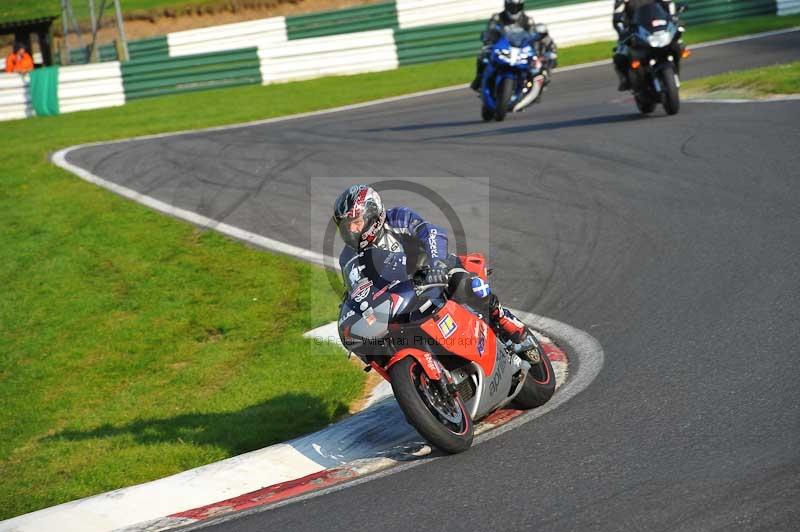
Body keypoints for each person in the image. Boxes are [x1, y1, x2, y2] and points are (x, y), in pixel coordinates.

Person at [333, 184, 535, 352]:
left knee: (464, 283)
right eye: (346, 227)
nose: (352, 230)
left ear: (373, 214)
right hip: (400, 296)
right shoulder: (348, 257)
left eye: (356, 223)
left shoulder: (397, 218)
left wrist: (436, 264)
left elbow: (431, 233)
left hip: (433, 271)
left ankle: (504, 319)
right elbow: (357, 288)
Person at [470, 0, 558, 92]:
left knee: (536, 61)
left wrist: (535, 50)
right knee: (483, 55)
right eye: (512, 7)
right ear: (506, 6)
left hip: (520, 48)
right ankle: (479, 79)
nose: (514, 10)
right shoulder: (497, 17)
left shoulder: (528, 20)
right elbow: (490, 31)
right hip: (502, 46)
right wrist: (489, 40)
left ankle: (536, 82)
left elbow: (532, 35)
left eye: (517, 7)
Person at [612, 0, 679, 91]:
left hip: (656, 29)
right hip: (635, 31)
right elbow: (617, 18)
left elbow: (669, 5)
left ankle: (675, 70)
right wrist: (622, 31)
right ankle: (626, 80)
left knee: (678, 45)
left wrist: (673, 18)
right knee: (620, 55)